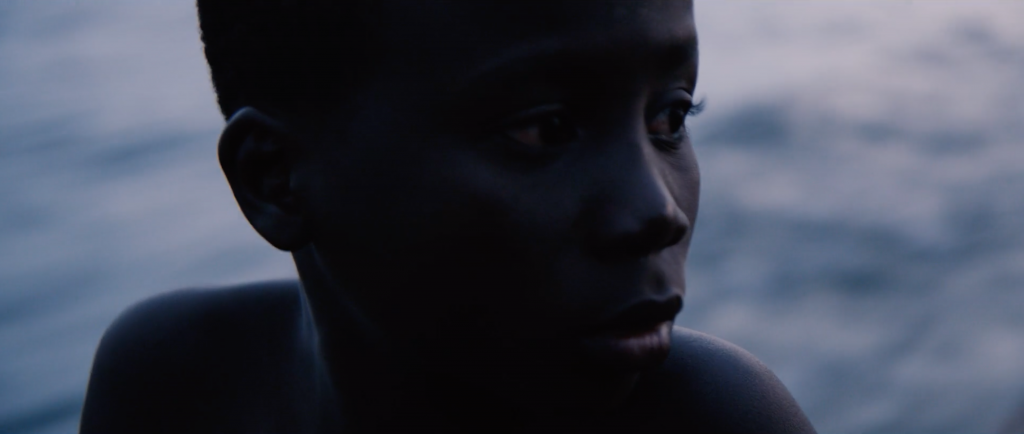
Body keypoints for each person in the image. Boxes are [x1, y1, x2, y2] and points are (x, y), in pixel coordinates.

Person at [80, 1, 816, 433]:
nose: (657, 212)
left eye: (670, 114)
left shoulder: (717, 422)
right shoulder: (176, 391)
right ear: (276, 178)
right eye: (544, 129)